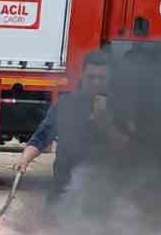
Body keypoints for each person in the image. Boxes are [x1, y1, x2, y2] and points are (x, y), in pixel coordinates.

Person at [14, 50, 137, 207]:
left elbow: (130, 150)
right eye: (91, 77)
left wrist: (105, 123)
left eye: (101, 78)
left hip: (105, 196)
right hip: (63, 191)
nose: (95, 82)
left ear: (110, 79)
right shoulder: (66, 103)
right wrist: (24, 160)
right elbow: (42, 137)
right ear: (83, 75)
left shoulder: (120, 107)